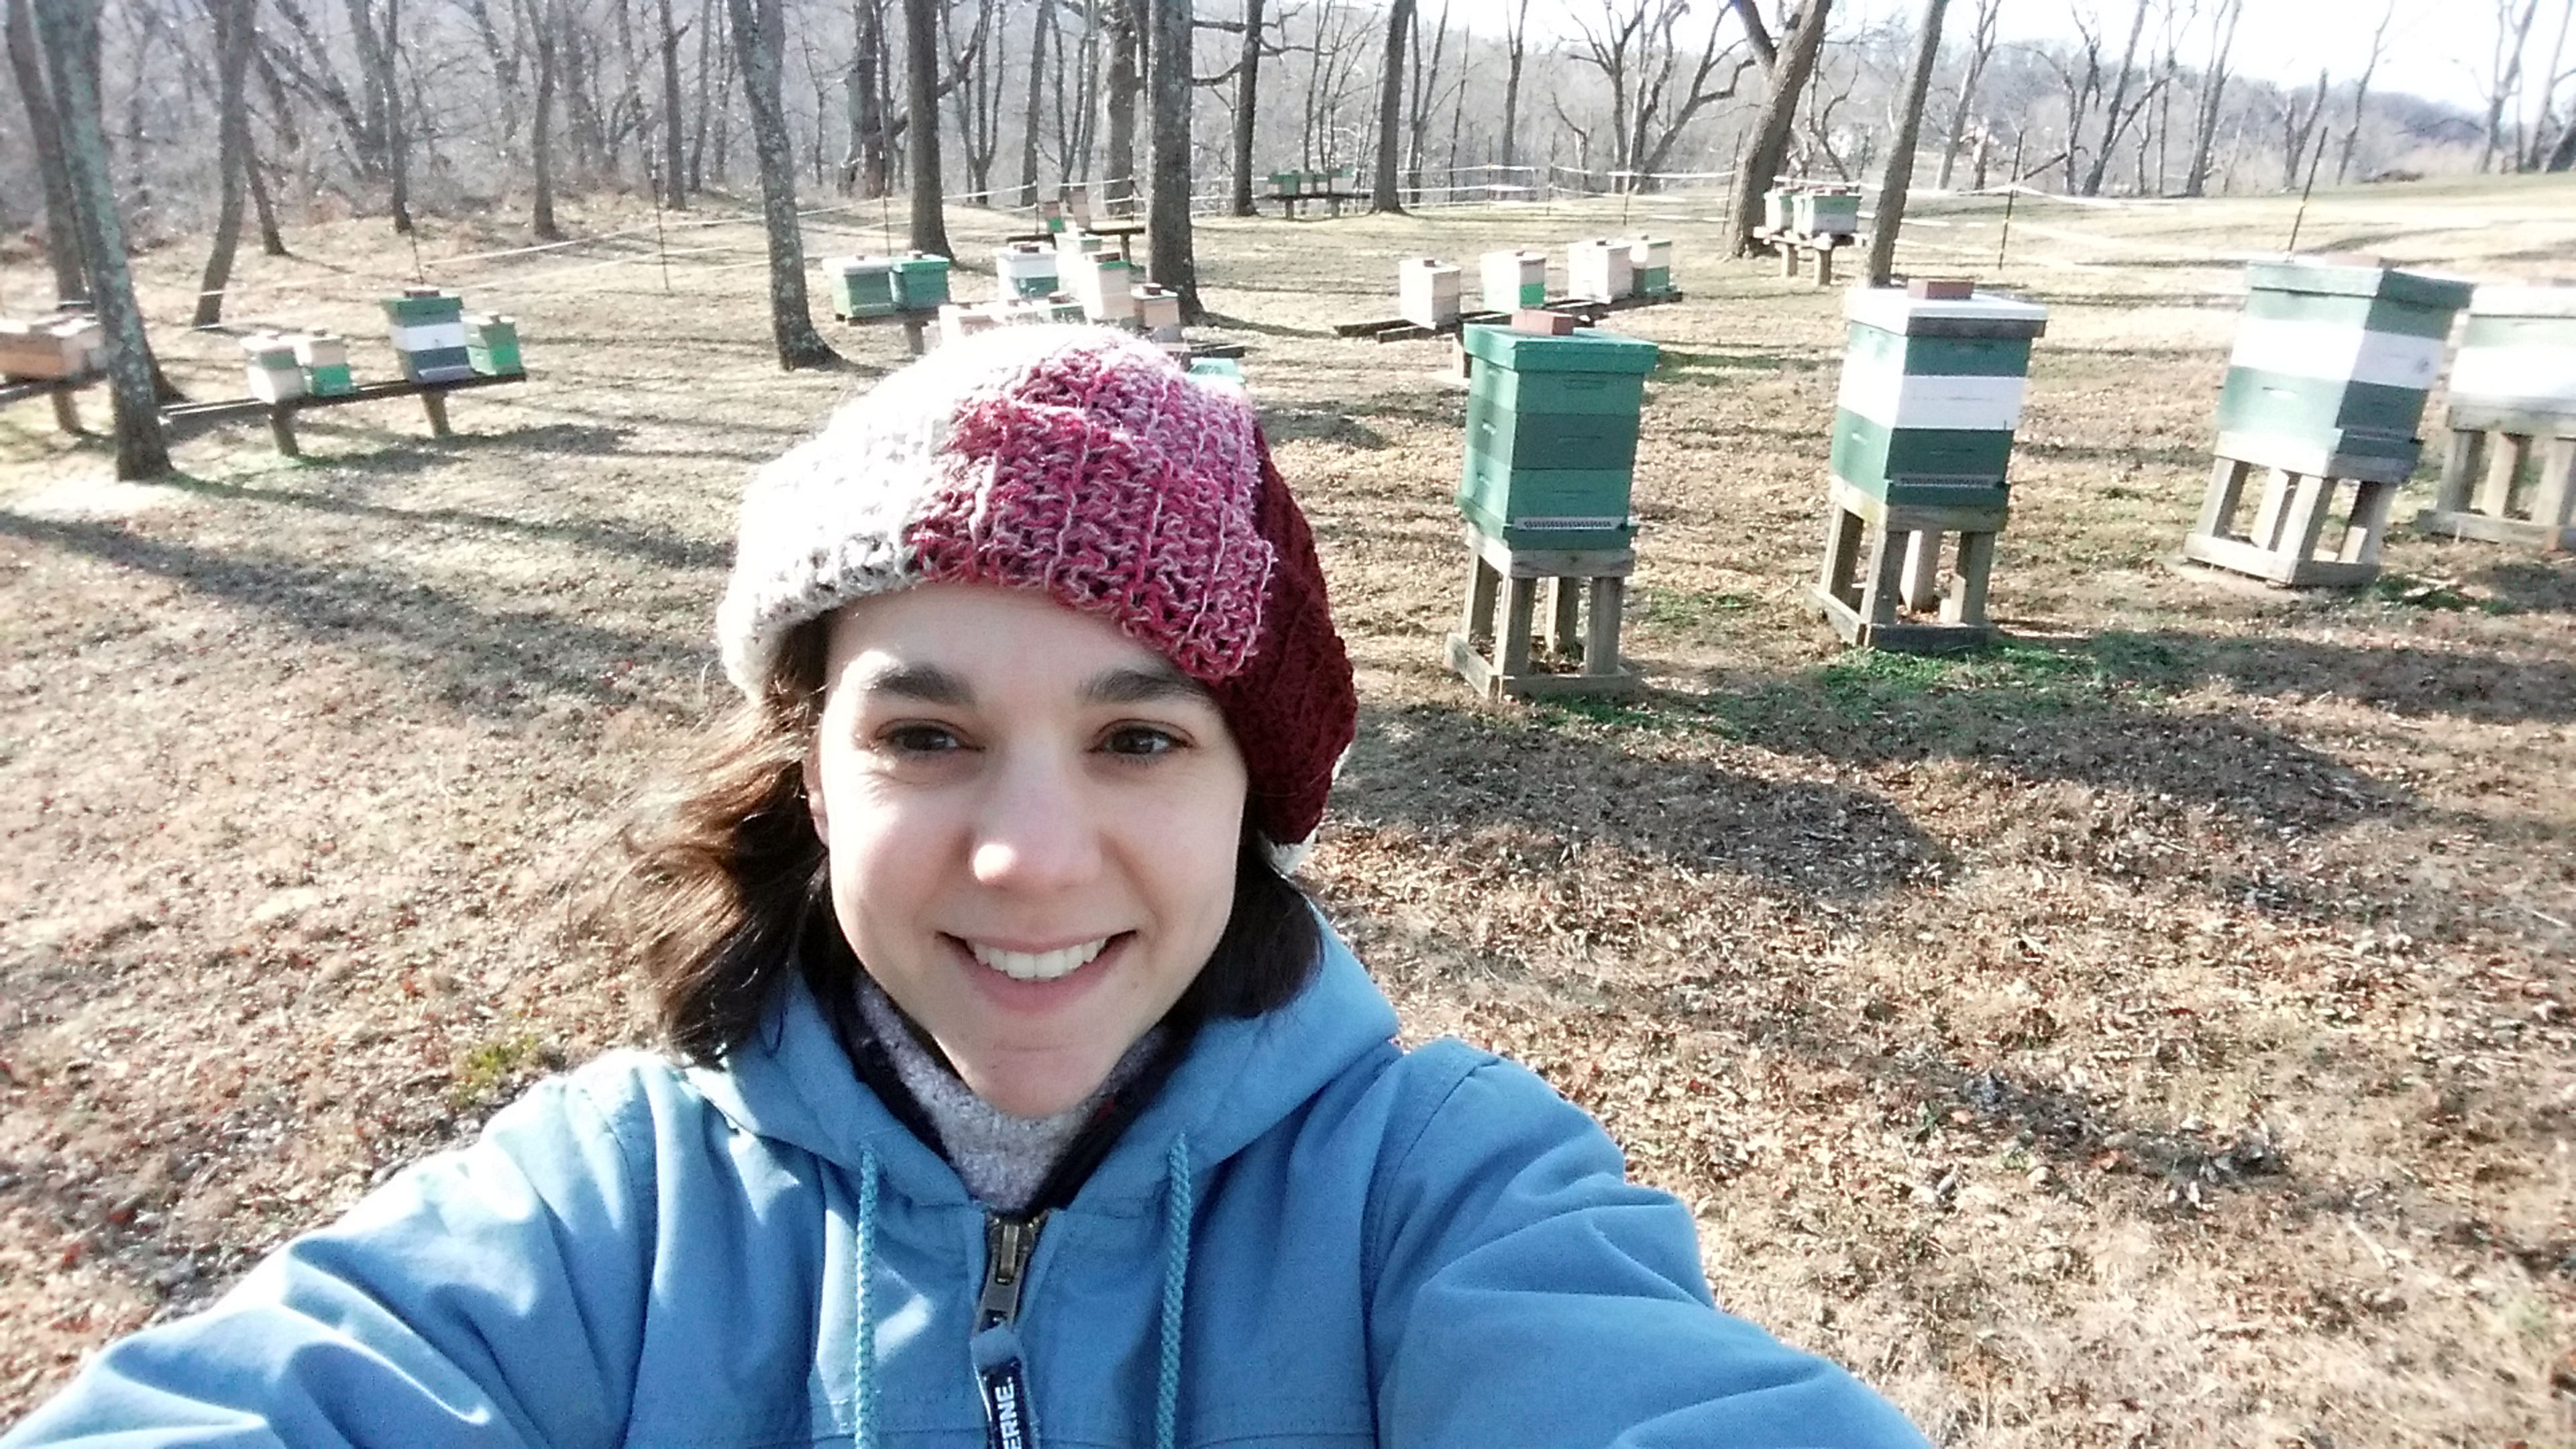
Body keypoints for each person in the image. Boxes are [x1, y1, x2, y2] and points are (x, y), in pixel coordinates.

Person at [2, 327, 1927, 1449]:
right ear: (810, 777)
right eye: (925, 738)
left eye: (1138, 740)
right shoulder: (607, 1212)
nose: (1024, 855)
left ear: (1258, 789)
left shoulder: (1441, 1191)